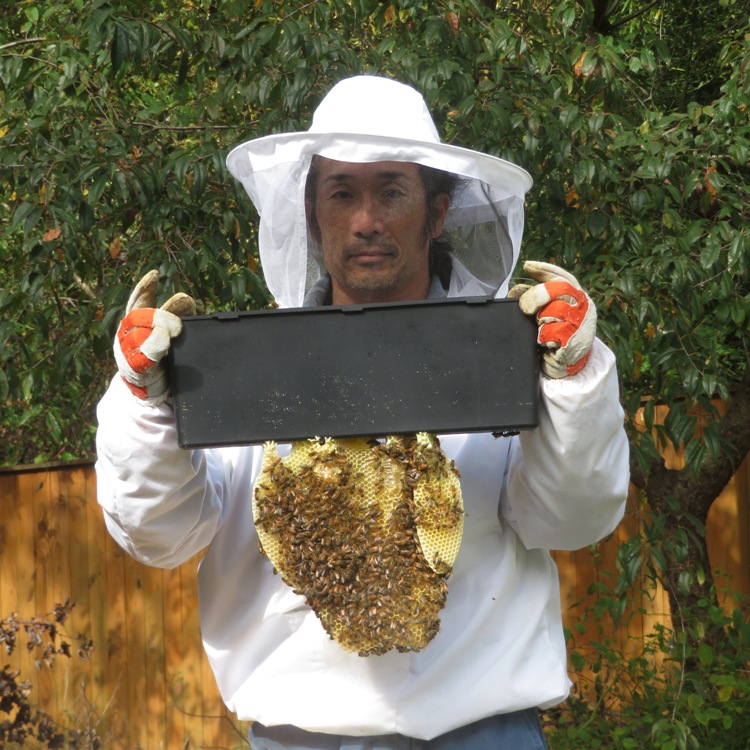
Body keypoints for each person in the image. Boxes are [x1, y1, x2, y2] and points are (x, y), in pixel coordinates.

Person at [96, 76, 630, 749]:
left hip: (480, 732)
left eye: (391, 191)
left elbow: (577, 517)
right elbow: (159, 533)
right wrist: (144, 402)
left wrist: (575, 379)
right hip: (296, 735)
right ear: (313, 214)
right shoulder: (250, 366)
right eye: (341, 192)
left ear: (437, 212)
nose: (366, 220)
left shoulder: (500, 354)